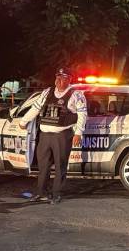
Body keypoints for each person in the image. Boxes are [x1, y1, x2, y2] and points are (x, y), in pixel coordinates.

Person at [19, 68, 87, 205]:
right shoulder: (47, 92)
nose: (60, 80)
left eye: (63, 78)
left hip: (62, 135)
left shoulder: (76, 95)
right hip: (45, 135)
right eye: (58, 77)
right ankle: (41, 192)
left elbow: (82, 115)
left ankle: (56, 194)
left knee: (60, 166)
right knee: (43, 166)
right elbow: (35, 108)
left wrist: (78, 133)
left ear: (69, 80)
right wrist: (23, 121)